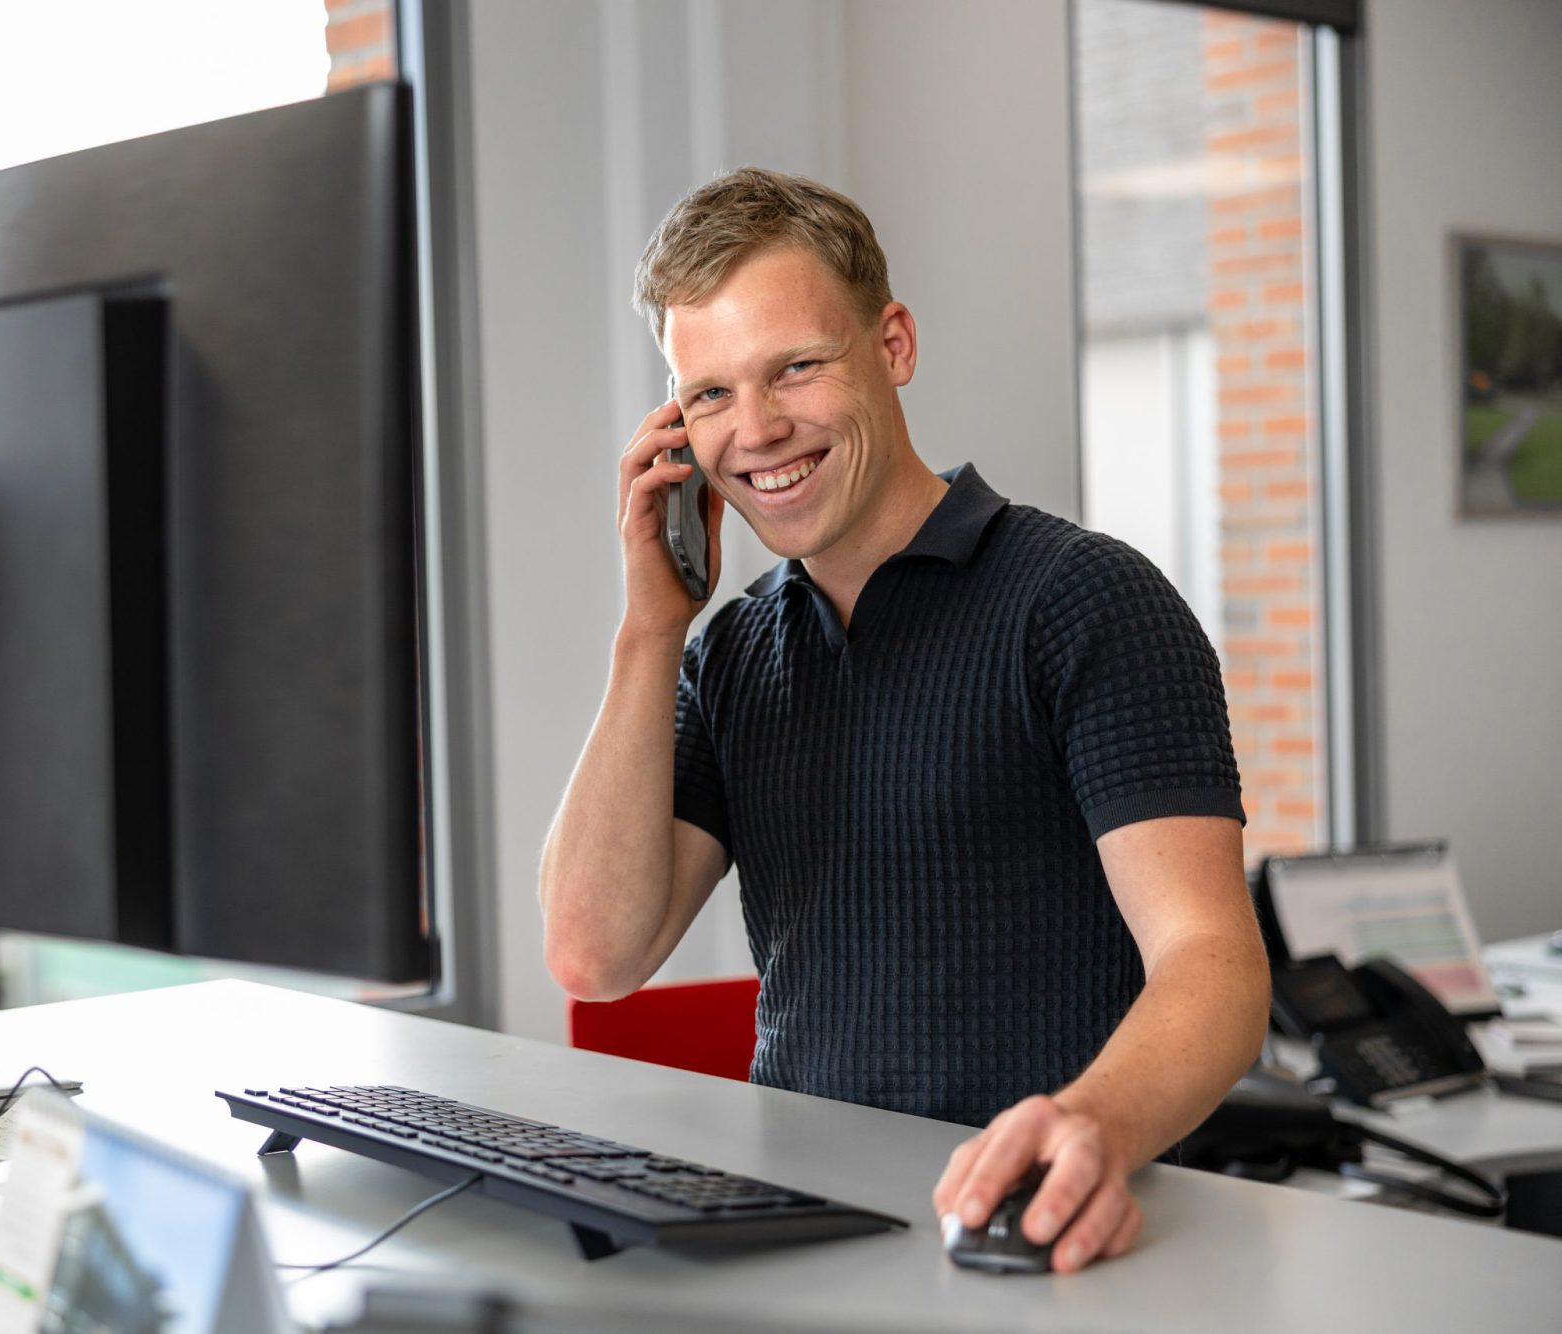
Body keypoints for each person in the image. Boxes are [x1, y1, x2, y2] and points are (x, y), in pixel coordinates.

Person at [538, 168, 1270, 1273]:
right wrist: (650, 631)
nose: (757, 428)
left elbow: (1211, 958)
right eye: (709, 395)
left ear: (891, 346)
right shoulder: (731, 652)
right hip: (798, 1239)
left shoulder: (1083, 600)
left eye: (795, 367)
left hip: (1031, 1229)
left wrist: (1093, 1123)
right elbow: (593, 952)